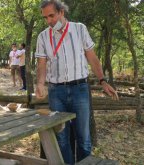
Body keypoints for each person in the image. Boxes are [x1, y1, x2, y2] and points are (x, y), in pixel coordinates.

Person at [35, 1, 118, 164]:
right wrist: (40, 83)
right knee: (61, 137)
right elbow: (41, 64)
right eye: (45, 18)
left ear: (61, 12)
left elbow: (92, 57)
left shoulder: (79, 29)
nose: (49, 21)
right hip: (55, 92)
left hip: (80, 89)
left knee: (83, 137)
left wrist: (103, 80)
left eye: (51, 15)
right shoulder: (43, 36)